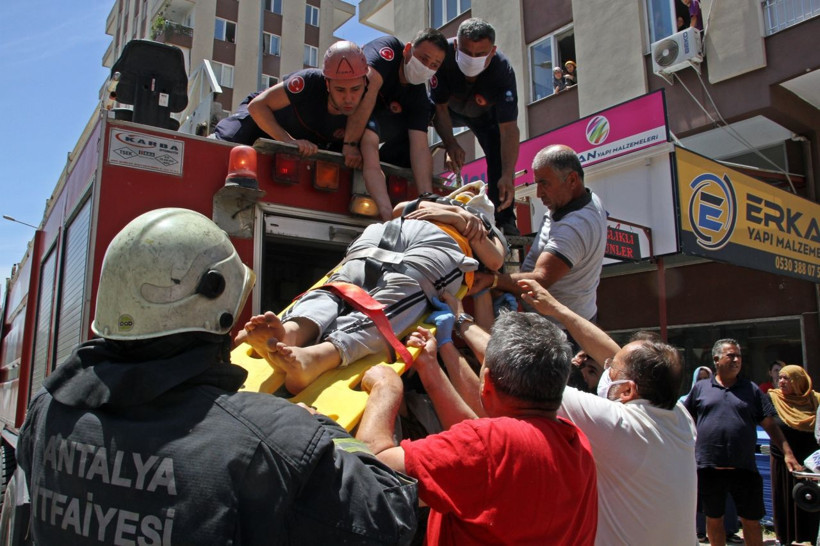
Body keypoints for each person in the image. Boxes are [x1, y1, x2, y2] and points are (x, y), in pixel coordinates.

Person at [15, 208, 418, 545]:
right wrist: (334, 430)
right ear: (220, 307)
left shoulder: (48, 408)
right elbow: (391, 516)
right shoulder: (273, 437)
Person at [354, 311, 598, 545]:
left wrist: (386, 390)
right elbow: (480, 455)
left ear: (487, 383)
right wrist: (431, 371)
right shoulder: (576, 443)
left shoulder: (490, 445)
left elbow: (371, 472)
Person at [238, 192, 507, 394]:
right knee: (342, 283)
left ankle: (319, 356)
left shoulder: (488, 225)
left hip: (443, 244)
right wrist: (453, 214)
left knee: (400, 289)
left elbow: (494, 261)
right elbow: (399, 210)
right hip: (391, 230)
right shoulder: (436, 200)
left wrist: (466, 224)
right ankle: (291, 332)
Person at [518, 279, 699, 545]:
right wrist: (558, 310)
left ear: (627, 390)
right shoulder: (680, 418)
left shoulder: (618, 424)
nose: (605, 370)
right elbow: (621, 358)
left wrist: (462, 321)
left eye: (610, 370)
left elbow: (520, 371)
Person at [684, 338, 800, 546]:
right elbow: (686, 422)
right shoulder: (701, 389)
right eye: (731, 355)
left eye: (739, 356)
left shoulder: (751, 389)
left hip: (744, 468)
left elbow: (770, 425)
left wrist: (788, 453)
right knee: (714, 518)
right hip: (709, 468)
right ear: (716, 359)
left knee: (751, 520)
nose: (737, 360)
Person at [473, 144, 607, 324]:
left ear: (573, 180)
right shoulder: (581, 199)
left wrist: (494, 280)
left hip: (563, 331)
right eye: (537, 183)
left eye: (544, 183)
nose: (538, 193)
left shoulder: (575, 228)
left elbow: (540, 280)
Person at [340, 30, 447, 221]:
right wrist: (350, 144)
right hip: (346, 118)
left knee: (410, 134)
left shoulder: (419, 97)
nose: (426, 67)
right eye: (423, 59)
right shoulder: (387, 52)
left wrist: (428, 199)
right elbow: (367, 94)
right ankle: (386, 211)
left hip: (375, 130)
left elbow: (420, 147)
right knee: (369, 135)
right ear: (407, 50)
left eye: (434, 65)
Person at [431, 18, 521, 235]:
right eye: (466, 52)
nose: (472, 59)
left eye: (480, 54)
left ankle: (504, 219)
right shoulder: (442, 57)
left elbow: (509, 129)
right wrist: (450, 143)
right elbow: (440, 110)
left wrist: (508, 175)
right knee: (417, 113)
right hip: (448, 112)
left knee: (499, 156)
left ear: (492, 51)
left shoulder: (503, 71)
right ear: (456, 46)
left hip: (483, 118)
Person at [213, 41, 368, 156]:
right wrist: (288, 141)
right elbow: (257, 107)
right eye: (340, 90)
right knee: (222, 146)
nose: (348, 98)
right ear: (327, 83)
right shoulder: (309, 81)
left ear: (364, 83)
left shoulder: (368, 103)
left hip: (299, 142)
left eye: (355, 89)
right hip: (261, 121)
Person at [766, 365, 820, 545]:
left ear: (799, 381)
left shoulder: (815, 400)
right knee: (786, 502)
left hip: (811, 466)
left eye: (786, 378)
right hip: (784, 462)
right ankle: (786, 540)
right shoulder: (773, 399)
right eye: (780, 378)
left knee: (812, 504)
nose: (781, 382)